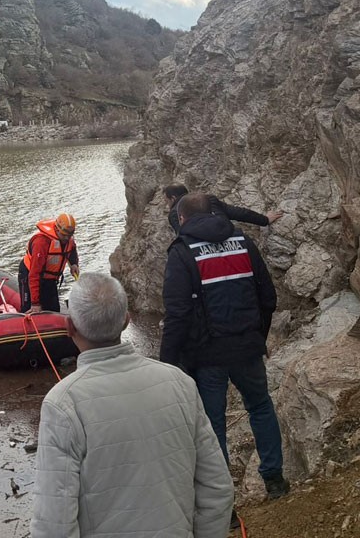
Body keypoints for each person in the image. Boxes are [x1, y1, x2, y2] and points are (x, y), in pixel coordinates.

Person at [32, 273, 234, 538]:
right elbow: (217, 489)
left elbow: (53, 525)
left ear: (69, 327)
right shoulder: (180, 383)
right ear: (127, 320)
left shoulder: (62, 405)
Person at [161, 192, 290, 501]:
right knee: (260, 406)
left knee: (213, 425)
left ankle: (223, 505)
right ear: (213, 212)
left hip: (207, 356)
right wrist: (258, 337)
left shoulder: (182, 252)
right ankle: (275, 480)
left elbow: (177, 314)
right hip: (247, 347)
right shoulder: (243, 242)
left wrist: (168, 364)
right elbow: (268, 297)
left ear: (181, 218)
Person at [19, 213, 81, 313]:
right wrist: (35, 303)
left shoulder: (68, 239)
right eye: (64, 235)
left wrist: (74, 264)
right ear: (57, 229)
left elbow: (72, 249)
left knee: (54, 309)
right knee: (29, 310)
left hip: (50, 279)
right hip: (30, 274)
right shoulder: (41, 243)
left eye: (69, 236)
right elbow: (34, 274)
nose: (66, 239)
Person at [164, 184, 283, 227]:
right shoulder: (208, 199)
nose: (167, 206)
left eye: (166, 201)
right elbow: (237, 212)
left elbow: (183, 239)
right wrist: (264, 219)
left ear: (173, 198)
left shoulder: (175, 213)